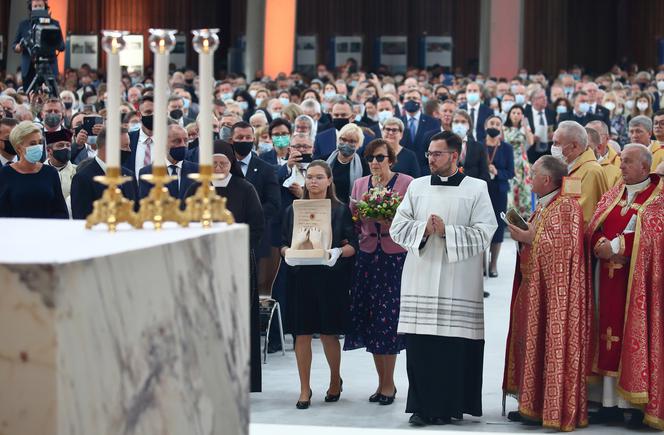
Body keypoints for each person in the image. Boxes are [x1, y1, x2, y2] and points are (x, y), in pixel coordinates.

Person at [390, 131, 497, 426]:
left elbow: (486, 230)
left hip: (458, 279)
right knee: (421, 346)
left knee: (453, 345)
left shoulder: (476, 188)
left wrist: (448, 231)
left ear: (454, 156)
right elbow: (399, 226)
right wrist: (423, 230)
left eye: (437, 154)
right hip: (421, 276)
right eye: (429, 153)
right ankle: (421, 407)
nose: (430, 159)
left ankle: (451, 405)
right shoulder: (417, 186)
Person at [503, 156, 592, 431]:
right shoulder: (546, 204)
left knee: (547, 345)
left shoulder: (565, 206)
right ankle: (531, 404)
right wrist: (526, 237)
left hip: (554, 295)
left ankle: (549, 408)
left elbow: (563, 249)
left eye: (533, 174)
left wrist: (529, 238)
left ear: (547, 179)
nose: (529, 178)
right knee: (530, 345)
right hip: (534, 287)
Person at [586, 144, 664, 429]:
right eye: (622, 163)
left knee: (633, 338)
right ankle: (608, 405)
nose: (621, 167)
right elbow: (595, 224)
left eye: (627, 163)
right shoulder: (614, 193)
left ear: (645, 167)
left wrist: (618, 245)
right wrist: (598, 243)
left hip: (637, 283)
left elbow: (656, 235)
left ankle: (634, 405)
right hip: (606, 278)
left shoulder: (658, 199)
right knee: (607, 336)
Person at [280, 160, 358, 409]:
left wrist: (336, 252)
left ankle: (335, 380)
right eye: (309, 177)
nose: (313, 181)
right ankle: (305, 388)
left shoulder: (340, 210)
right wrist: (287, 254)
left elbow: (352, 245)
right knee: (301, 334)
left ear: (329, 180)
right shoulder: (293, 210)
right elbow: (281, 243)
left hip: (330, 279)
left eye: (318, 177)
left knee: (328, 333)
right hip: (300, 276)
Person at [344, 139, 414, 406]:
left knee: (388, 319)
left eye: (380, 158)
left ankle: (389, 383)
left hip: (395, 257)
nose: (375, 162)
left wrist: (392, 220)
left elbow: (412, 218)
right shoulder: (360, 184)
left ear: (391, 160)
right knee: (372, 319)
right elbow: (354, 218)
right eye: (371, 158)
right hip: (368, 257)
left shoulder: (407, 183)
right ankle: (382, 382)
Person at [208, 140, 265, 393]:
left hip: (237, 264)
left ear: (231, 163)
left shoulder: (245, 188)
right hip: (205, 266)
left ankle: (240, 378)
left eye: (224, 162)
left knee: (238, 320)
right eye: (214, 163)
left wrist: (234, 249)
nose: (219, 167)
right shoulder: (197, 189)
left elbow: (257, 226)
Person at [0, 120, 68, 218]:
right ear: (19, 148)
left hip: (47, 231)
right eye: (32, 143)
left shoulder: (50, 172)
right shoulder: (5, 173)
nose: (38, 146)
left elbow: (60, 210)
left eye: (40, 142)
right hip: (16, 231)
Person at [70, 127, 137, 219]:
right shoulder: (83, 178)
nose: (129, 150)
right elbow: (81, 217)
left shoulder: (129, 175)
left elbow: (136, 211)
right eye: (125, 146)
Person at [551, 120, 609, 224]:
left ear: (574, 146)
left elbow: (582, 215)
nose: (553, 147)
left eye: (557, 143)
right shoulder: (570, 166)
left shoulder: (591, 171)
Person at [483, 115, 515, 277]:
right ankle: (481, 263)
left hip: (499, 190)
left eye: (497, 124)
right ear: (485, 126)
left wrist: (497, 172)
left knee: (497, 227)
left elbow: (511, 172)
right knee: (480, 225)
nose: (494, 126)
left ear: (501, 128)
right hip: (482, 190)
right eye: (491, 123)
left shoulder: (506, 148)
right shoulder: (478, 146)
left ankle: (493, 264)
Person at [138, 124, 198, 206]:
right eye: (177, 141)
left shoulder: (197, 171)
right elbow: (146, 206)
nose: (183, 145)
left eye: (185, 140)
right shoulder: (148, 173)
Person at [13, 0, 65, 92]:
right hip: (29, 67)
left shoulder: (54, 23)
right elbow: (15, 45)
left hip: (49, 66)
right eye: (35, 6)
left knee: (51, 95)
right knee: (29, 94)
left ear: (45, 6)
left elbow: (61, 46)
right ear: (31, 8)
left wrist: (52, 40)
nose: (38, 8)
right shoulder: (23, 25)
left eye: (40, 6)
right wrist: (18, 47)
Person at [325, 122, 370, 203]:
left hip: (350, 210)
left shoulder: (365, 166)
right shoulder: (324, 160)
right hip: (326, 207)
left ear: (359, 144)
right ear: (338, 139)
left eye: (352, 141)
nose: (346, 144)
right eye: (343, 139)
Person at [503, 104, 535, 217]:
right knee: (511, 189)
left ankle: (525, 214)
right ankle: (511, 214)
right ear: (509, 114)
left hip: (522, 161)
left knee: (524, 188)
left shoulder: (524, 128)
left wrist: (525, 127)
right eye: (513, 113)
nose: (516, 115)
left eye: (518, 113)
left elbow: (531, 142)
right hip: (509, 160)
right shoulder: (504, 128)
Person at [451, 109, 490, 182]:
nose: (459, 125)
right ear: (451, 124)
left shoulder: (478, 147)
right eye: (456, 122)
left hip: (473, 187)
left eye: (463, 122)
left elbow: (484, 172)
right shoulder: (444, 145)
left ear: (469, 125)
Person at [43, 129, 76, 200]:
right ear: (49, 150)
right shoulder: (40, 171)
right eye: (60, 145)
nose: (65, 148)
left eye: (68, 145)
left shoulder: (77, 171)